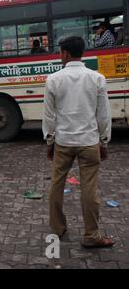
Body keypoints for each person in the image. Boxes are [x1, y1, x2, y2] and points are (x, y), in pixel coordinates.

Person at [42, 36, 114, 248]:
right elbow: (103, 114)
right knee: (89, 189)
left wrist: (50, 141)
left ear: (65, 53)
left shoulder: (53, 79)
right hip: (89, 141)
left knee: (56, 185)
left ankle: (58, 228)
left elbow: (49, 116)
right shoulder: (97, 78)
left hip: (63, 142)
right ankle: (92, 235)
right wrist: (104, 142)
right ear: (82, 52)